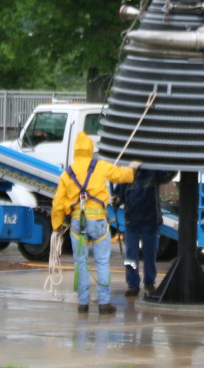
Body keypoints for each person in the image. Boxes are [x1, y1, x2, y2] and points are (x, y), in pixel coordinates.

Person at [51, 132, 138, 314]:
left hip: (77, 223)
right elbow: (122, 176)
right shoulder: (100, 167)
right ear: (91, 150)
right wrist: (132, 169)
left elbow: (58, 202)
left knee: (80, 263)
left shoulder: (67, 174)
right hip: (98, 221)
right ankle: (104, 303)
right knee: (102, 262)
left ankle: (83, 304)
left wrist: (56, 225)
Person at [112, 168, 176, 297]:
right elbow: (118, 195)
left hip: (149, 221)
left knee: (149, 254)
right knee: (131, 255)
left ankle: (149, 283)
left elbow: (168, 174)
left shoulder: (154, 171)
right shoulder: (128, 175)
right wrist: (116, 199)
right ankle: (133, 285)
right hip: (133, 221)